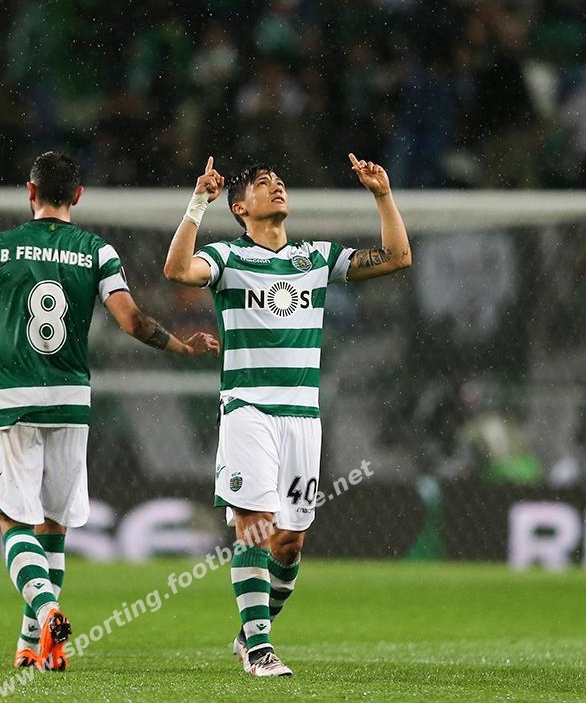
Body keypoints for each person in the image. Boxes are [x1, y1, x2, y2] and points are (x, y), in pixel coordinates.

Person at [0, 151, 219, 671]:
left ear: (31, 192)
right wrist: (181, 347)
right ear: (77, 195)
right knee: (54, 526)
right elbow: (133, 322)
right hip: (70, 400)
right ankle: (34, 647)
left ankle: (46, 611)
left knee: (14, 523)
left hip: (12, 398)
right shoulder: (97, 251)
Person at [164, 154, 411, 677]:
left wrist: (383, 196)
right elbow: (177, 270)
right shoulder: (227, 257)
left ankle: (250, 632)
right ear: (240, 207)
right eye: (262, 183)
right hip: (247, 409)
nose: (276, 186)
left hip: (302, 416)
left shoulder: (315, 257)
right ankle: (260, 648)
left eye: (279, 180)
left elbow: (397, 257)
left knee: (290, 542)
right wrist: (197, 204)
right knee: (254, 527)